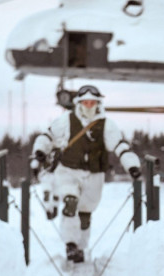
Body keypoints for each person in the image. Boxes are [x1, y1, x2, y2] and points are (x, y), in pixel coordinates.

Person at [32, 85, 142, 264]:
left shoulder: (106, 125)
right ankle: (70, 245)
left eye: (92, 102)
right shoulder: (66, 120)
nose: (89, 105)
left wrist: (132, 165)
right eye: (85, 102)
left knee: (84, 213)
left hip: (94, 175)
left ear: (98, 103)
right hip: (67, 171)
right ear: (79, 103)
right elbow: (47, 136)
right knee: (70, 203)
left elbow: (120, 146)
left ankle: (80, 247)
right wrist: (39, 152)